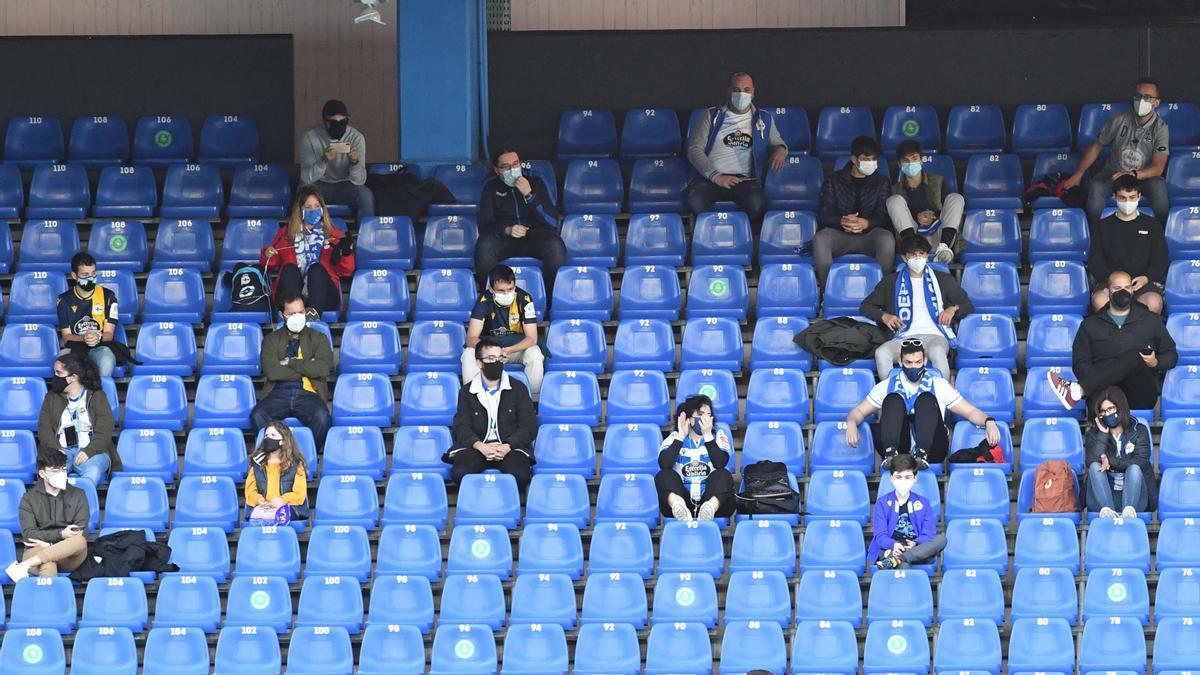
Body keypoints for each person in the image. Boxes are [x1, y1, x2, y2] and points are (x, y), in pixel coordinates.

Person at [845, 341, 1001, 470]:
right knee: (893, 398)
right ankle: (890, 455)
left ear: (925, 361)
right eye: (909, 363)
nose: (914, 367)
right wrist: (851, 422)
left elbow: (971, 411)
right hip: (902, 447)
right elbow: (859, 411)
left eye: (918, 362)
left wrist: (989, 421)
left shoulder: (940, 384)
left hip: (933, 446)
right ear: (900, 362)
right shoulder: (885, 385)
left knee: (926, 398)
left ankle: (921, 454)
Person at [1048, 270, 1178, 412]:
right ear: (1107, 291)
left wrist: (1155, 362)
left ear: (1132, 290)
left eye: (1127, 288)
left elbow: (1171, 355)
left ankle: (1079, 390)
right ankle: (1083, 389)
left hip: (1140, 394)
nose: (1123, 292)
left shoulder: (1150, 320)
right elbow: (1080, 363)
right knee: (1109, 379)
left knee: (1135, 357)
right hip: (1103, 396)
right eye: (1117, 288)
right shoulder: (1090, 325)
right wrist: (1101, 381)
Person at [860, 234, 973, 379]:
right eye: (913, 255)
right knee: (882, 353)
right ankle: (890, 395)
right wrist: (884, 316)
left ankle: (944, 396)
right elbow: (866, 306)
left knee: (938, 351)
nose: (918, 258)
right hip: (903, 338)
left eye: (921, 254)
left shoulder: (943, 279)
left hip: (935, 336)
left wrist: (953, 309)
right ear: (904, 258)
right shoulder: (890, 282)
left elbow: (967, 305)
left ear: (927, 256)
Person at [685, 71, 788, 224]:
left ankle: (739, 238)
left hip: (745, 180)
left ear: (753, 92)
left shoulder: (764, 118)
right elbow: (694, 150)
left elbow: (778, 142)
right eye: (736, 90)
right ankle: (710, 236)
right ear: (729, 92)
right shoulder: (711, 115)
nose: (742, 94)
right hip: (711, 178)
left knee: (756, 204)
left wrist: (781, 150)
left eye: (747, 90)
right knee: (695, 201)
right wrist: (716, 177)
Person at [1063, 77, 1169, 224]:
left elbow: (1158, 168)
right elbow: (1097, 146)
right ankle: (1095, 235)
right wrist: (1079, 174)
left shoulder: (1161, 128)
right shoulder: (1119, 119)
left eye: (1147, 97)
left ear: (1156, 102)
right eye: (1138, 96)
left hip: (1143, 177)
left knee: (1159, 186)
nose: (1141, 101)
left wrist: (1133, 174)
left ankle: (1160, 234)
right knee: (1096, 186)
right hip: (1114, 173)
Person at [444, 338, 536, 493]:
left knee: (520, 475)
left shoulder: (518, 388)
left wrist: (507, 446)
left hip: (509, 448)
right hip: (477, 448)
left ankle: (506, 511)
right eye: (491, 358)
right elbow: (461, 427)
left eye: (500, 358)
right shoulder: (467, 392)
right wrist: (480, 446)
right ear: (479, 363)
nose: (497, 362)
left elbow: (529, 426)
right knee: (460, 473)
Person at [475, 146, 566, 297]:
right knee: (483, 247)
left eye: (516, 164)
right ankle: (490, 301)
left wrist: (529, 195)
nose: (513, 169)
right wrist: (507, 229)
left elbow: (552, 221)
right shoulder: (490, 186)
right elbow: (485, 224)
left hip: (535, 236)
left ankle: (551, 301)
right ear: (497, 170)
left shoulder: (536, 180)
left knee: (556, 246)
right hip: (503, 239)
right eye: (506, 167)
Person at [250, 290, 334, 450]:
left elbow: (323, 368)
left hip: (308, 391)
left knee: (323, 418)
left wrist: (291, 362)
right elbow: (272, 372)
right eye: (292, 313)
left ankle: (303, 455)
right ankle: (276, 454)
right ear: (282, 315)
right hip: (278, 392)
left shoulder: (319, 337)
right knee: (257, 415)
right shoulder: (271, 340)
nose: (298, 317)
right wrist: (308, 365)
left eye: (301, 312)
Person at [812, 135, 895, 286]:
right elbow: (824, 215)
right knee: (820, 239)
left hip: (870, 235)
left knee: (887, 238)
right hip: (841, 235)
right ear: (854, 159)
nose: (870, 163)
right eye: (866, 159)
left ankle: (882, 291)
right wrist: (842, 221)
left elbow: (884, 216)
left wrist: (867, 223)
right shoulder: (833, 180)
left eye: (873, 159)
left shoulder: (882, 182)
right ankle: (827, 291)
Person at [261, 185, 356, 316]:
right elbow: (270, 265)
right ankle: (294, 315)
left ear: (323, 209)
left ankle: (313, 316)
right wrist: (267, 253)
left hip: (323, 296)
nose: (314, 210)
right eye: (308, 207)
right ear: (300, 211)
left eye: (317, 206)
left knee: (316, 269)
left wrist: (346, 254)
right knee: (289, 269)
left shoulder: (334, 235)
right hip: (291, 294)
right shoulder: (286, 234)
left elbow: (347, 271)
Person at [1087, 175, 1169, 314]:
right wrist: (1113, 282)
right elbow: (1095, 261)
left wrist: (1146, 278)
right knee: (1099, 300)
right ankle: (1112, 336)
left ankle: (1144, 336)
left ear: (1139, 196)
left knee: (1154, 302)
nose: (1127, 201)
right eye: (1123, 198)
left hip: (1143, 284)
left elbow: (1161, 260)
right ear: (1114, 197)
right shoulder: (1102, 226)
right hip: (1111, 284)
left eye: (1132, 197)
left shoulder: (1152, 225)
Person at [5, 448, 90, 580]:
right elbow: (29, 535)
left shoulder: (79, 494)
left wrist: (50, 545)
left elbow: (80, 532)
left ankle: (23, 565)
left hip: (69, 556)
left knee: (79, 540)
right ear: (42, 473)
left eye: (63, 469)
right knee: (48, 564)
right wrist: (61, 534)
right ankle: (48, 600)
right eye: (55, 471)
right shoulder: (29, 498)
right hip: (36, 551)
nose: (61, 474)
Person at [36, 352, 118, 487]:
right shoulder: (51, 397)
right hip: (61, 450)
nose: (54, 377)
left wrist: (89, 451)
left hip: (93, 451)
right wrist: (57, 449)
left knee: (92, 472)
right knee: (50, 476)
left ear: (73, 377)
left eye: (58, 373)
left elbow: (105, 431)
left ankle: (84, 507)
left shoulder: (97, 396)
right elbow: (44, 429)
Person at [463, 265, 545, 395]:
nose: (506, 294)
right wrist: (491, 351)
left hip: (515, 349)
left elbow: (532, 338)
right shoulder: (484, 300)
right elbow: (471, 338)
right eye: (501, 291)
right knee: (468, 354)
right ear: (491, 289)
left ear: (515, 284)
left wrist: (508, 350)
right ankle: (473, 398)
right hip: (490, 349)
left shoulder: (524, 299)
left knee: (535, 353)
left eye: (510, 289)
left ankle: (532, 399)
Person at [655, 394, 736, 521]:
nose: (704, 418)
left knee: (723, 474)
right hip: (684, 501)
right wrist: (681, 437)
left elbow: (720, 463)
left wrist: (708, 435)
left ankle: (708, 510)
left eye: (708, 415)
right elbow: (664, 464)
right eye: (700, 414)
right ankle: (679, 507)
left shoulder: (718, 435)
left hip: (712, 502)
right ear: (690, 418)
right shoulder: (674, 437)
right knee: (664, 475)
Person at [886, 140, 964, 263]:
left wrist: (933, 216)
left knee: (956, 198)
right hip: (913, 236)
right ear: (900, 164)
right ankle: (912, 251)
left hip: (939, 234)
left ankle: (943, 249)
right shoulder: (895, 189)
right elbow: (898, 218)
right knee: (893, 201)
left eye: (914, 158)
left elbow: (949, 211)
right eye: (906, 161)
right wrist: (917, 218)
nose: (910, 163)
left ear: (921, 160)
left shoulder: (938, 181)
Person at [1084, 386, 1155, 519]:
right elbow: (1091, 461)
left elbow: (1141, 461)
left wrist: (1110, 461)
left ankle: (1128, 514)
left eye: (1110, 409)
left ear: (1120, 407)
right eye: (1103, 411)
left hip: (1135, 497)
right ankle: (1110, 514)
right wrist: (1103, 435)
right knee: (1095, 467)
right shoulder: (1094, 434)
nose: (1107, 414)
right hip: (1102, 500)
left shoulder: (1139, 430)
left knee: (1134, 469)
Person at [867, 453, 945, 570]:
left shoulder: (923, 503)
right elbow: (880, 535)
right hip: (891, 550)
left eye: (907, 477)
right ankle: (900, 559)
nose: (903, 481)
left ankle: (900, 558)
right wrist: (894, 544)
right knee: (903, 566)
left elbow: (929, 533)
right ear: (891, 478)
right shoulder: (882, 503)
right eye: (898, 477)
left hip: (918, 550)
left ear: (915, 478)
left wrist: (916, 543)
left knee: (942, 539)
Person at [298, 98, 374, 218]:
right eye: (334, 123)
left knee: (366, 195)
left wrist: (354, 162)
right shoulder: (310, 137)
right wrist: (323, 161)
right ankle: (306, 235)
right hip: (319, 185)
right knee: (303, 191)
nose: (339, 126)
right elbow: (306, 178)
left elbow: (360, 181)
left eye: (343, 122)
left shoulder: (356, 138)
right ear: (325, 122)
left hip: (345, 185)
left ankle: (365, 235)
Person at [56, 252, 118, 377]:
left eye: (93, 274)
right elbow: (66, 336)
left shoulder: (108, 296)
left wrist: (98, 337)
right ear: (75, 276)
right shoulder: (64, 300)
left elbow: (109, 334)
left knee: (107, 358)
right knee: (61, 361)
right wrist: (83, 338)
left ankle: (98, 395)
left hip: (100, 347)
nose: (90, 278)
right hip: (75, 347)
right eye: (85, 275)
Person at [244, 421, 310, 521]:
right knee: (258, 516)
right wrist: (259, 500)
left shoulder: (296, 464)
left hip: (288, 508)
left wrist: (283, 500)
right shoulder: (256, 464)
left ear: (283, 440)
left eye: (273, 435)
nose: (268, 438)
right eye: (266, 435)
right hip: (263, 508)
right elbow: (250, 492)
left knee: (280, 515)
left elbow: (299, 494)